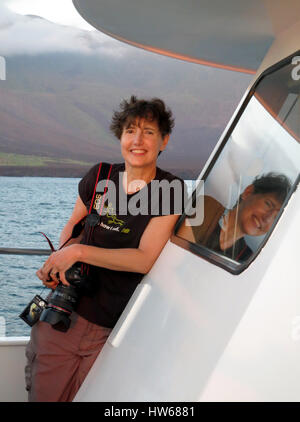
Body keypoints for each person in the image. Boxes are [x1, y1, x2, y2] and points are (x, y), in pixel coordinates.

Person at [25, 96, 184, 402]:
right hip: (65, 316)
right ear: (120, 137)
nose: (137, 140)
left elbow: (144, 259)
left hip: (115, 330)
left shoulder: (171, 190)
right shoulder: (99, 176)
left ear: (164, 140)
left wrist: (79, 253)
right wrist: (60, 263)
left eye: (148, 132)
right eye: (130, 131)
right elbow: (73, 229)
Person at [178, 173, 291, 261]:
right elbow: (172, 262)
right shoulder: (207, 207)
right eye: (268, 204)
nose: (267, 218)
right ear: (248, 192)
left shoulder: (246, 258)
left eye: (276, 218)